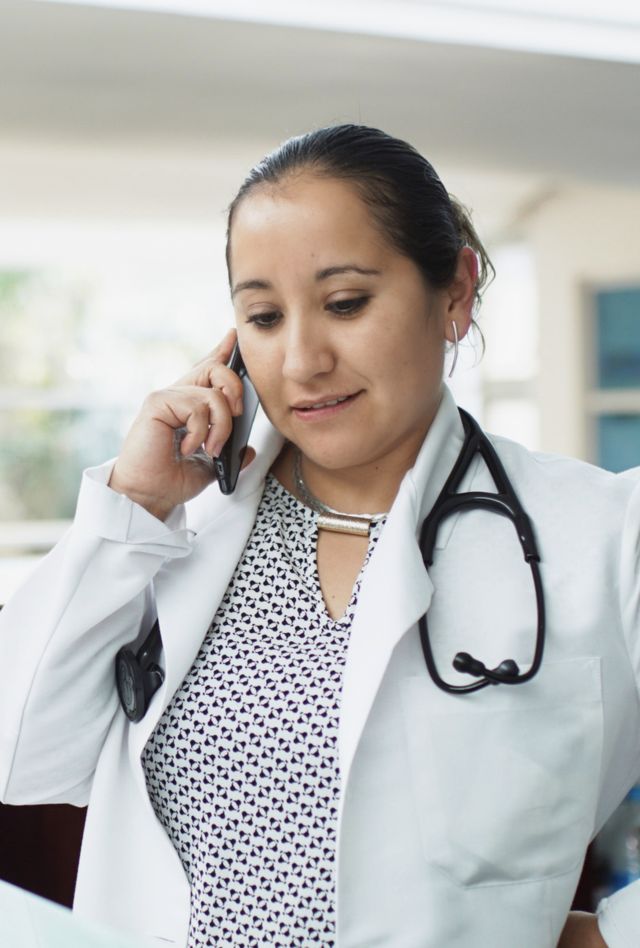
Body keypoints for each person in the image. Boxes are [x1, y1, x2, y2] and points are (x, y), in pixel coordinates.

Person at [0, 123, 638, 948]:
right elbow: (22, 761)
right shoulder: (175, 529)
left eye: (345, 303)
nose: (302, 358)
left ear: (455, 291)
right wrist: (134, 507)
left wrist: (611, 938)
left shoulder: (602, 536)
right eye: (263, 316)